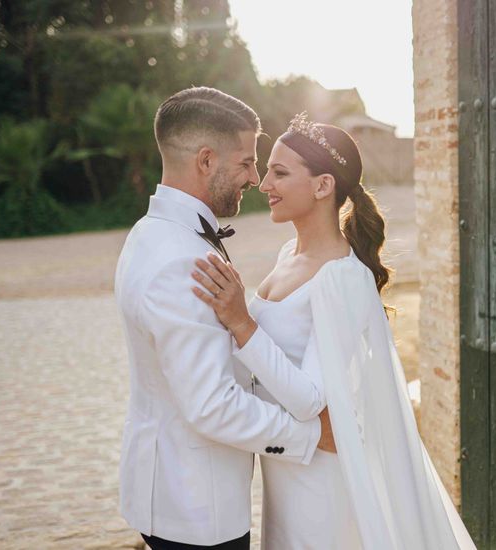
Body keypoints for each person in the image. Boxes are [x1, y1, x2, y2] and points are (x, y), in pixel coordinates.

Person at [191, 112, 476, 549]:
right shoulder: (290, 253)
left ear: (323, 186)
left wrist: (241, 322)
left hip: (319, 484)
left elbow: (312, 401)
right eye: (267, 171)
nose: (264, 184)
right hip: (284, 470)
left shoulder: (341, 277)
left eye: (280, 173)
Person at [114, 87, 336, 548]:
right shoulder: (181, 259)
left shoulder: (151, 233)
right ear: (206, 161)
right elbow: (212, 406)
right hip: (196, 503)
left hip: (173, 490)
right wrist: (310, 436)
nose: (255, 178)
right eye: (246, 162)